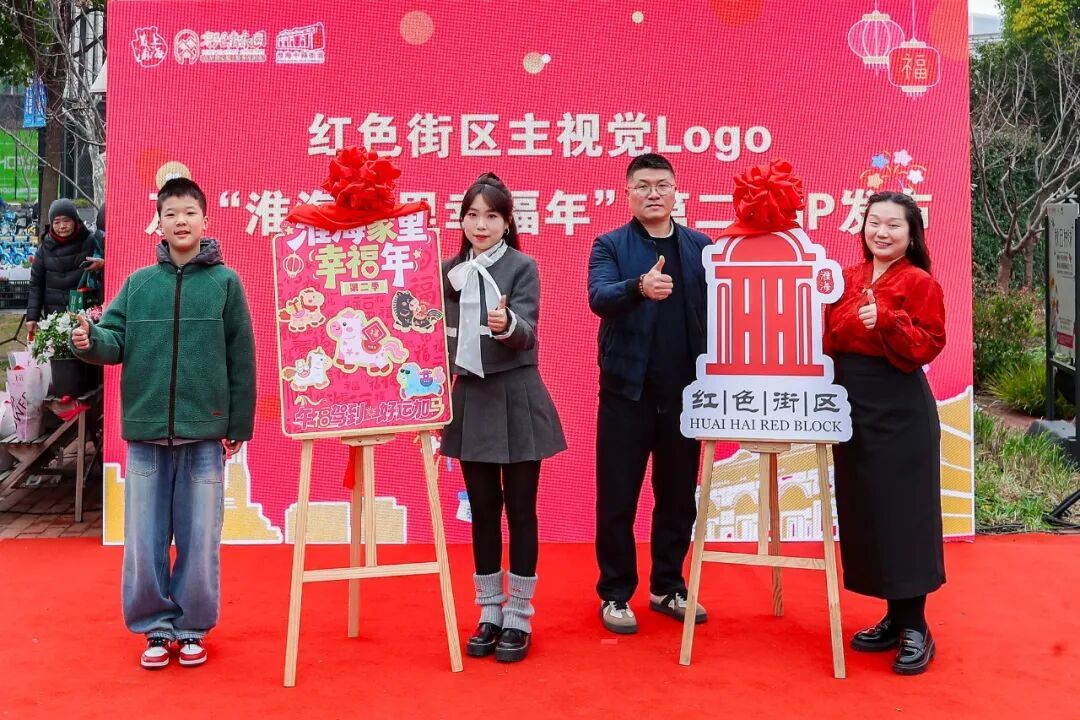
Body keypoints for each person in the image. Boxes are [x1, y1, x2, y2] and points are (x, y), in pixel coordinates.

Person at [71, 177, 256, 670]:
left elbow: (242, 359)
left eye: (189, 212)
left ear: (205, 220)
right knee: (144, 538)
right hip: (146, 435)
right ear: (158, 222)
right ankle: (154, 627)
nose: (181, 221)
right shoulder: (138, 284)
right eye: (171, 213)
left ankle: (192, 627)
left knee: (200, 537)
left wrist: (238, 423)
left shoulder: (226, 284)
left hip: (204, 434)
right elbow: (113, 339)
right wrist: (88, 341)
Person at [441, 172, 566, 663]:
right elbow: (432, 335)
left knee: (520, 508)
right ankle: (489, 611)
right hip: (471, 398)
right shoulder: (450, 271)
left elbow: (528, 331)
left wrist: (507, 323)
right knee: (482, 509)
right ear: (462, 220)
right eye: (472, 215)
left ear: (508, 222)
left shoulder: (522, 266)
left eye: (491, 216)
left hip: (516, 395)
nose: (481, 224)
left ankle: (519, 615)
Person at [823, 190, 946, 676]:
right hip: (851, 408)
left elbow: (929, 344)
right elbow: (826, 334)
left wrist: (889, 321)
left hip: (900, 410)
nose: (882, 232)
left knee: (904, 515)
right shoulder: (846, 277)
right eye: (875, 222)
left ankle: (916, 626)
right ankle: (894, 618)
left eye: (894, 225)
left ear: (912, 234)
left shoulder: (919, 282)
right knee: (867, 512)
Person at [587, 153, 712, 634]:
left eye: (661, 185)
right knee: (618, 497)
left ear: (677, 191)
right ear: (628, 194)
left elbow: (723, 311)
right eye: (642, 186)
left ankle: (668, 586)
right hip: (626, 394)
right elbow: (599, 298)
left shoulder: (701, 247)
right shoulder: (610, 245)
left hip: (685, 396)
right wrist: (639, 286)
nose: (653, 194)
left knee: (678, 498)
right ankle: (615, 593)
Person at [26, 198, 97, 340]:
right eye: (56, 222)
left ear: (75, 220)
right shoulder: (44, 248)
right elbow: (36, 285)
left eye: (66, 221)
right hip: (54, 316)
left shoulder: (90, 242)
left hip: (85, 314)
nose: (62, 226)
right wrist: (32, 317)